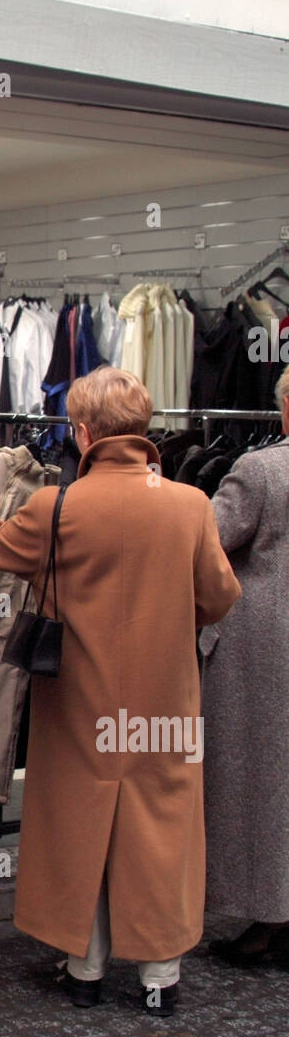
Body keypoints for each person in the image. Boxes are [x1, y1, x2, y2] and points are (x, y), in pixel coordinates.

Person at [0, 366, 241, 1015]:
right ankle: (159, 976)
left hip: (79, 699)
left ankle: (84, 967)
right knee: (161, 827)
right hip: (165, 705)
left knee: (80, 822)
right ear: (143, 428)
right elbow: (219, 598)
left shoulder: (56, 506)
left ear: (83, 430)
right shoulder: (189, 505)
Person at [200, 362, 289, 967]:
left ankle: (269, 921)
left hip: (263, 650)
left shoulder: (260, 471)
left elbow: (200, 540)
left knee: (260, 782)